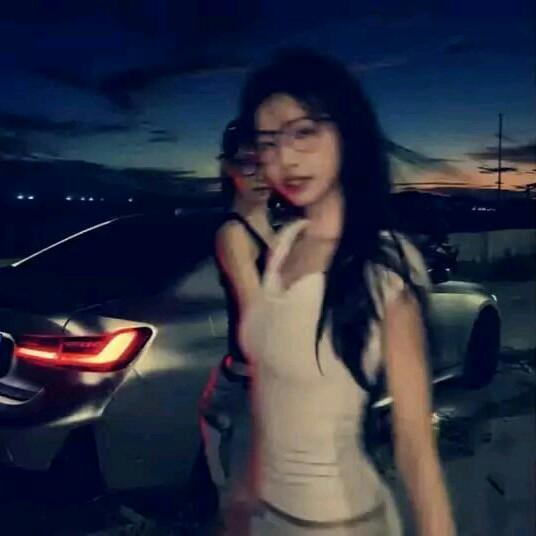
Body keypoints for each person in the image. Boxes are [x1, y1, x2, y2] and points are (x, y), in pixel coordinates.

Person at [232, 49, 457, 535]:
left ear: (347, 133)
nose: (285, 158)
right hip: (265, 517)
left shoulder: (383, 266)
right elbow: (269, 390)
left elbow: (415, 448)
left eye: (303, 132)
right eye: (268, 142)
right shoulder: (285, 243)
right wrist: (245, 491)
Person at [198, 119, 275, 528]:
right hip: (250, 391)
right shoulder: (234, 234)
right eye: (249, 163)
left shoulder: (269, 223)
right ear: (229, 167)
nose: (261, 174)